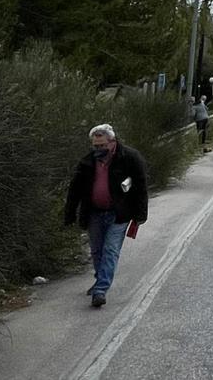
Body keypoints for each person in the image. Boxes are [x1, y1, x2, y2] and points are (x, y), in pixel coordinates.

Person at [63, 124, 148, 308]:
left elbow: (141, 187)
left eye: (102, 145)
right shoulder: (87, 162)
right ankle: (100, 279)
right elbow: (75, 189)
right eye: (95, 146)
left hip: (119, 214)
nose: (98, 149)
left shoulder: (130, 158)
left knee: (110, 250)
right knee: (96, 251)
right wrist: (70, 213)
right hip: (94, 213)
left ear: (112, 142)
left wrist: (140, 215)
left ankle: (100, 290)